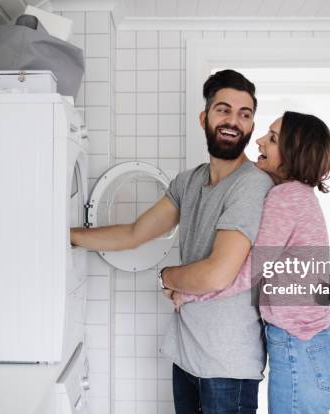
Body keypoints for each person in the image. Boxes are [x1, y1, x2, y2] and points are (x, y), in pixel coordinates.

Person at [71, 69, 274, 413]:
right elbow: (135, 233)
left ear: (252, 126)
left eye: (245, 114)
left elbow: (216, 274)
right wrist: (67, 237)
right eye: (223, 109)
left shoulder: (252, 186)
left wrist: (166, 276)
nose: (234, 121)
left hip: (227, 365)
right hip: (187, 355)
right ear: (204, 117)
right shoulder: (188, 181)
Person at [171, 111, 330, 414]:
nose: (261, 141)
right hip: (312, 351)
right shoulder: (298, 196)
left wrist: (188, 292)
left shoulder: (286, 197)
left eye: (273, 139)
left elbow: (248, 272)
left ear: (292, 155)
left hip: (300, 353)